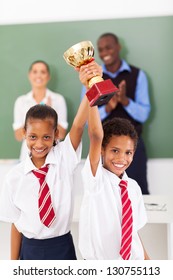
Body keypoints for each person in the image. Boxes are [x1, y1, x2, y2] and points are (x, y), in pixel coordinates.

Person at [0, 61, 102, 260]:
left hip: (61, 246)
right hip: (29, 249)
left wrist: (89, 85)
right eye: (32, 137)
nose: (39, 144)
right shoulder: (14, 177)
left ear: (56, 134)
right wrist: (13, 266)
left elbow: (79, 126)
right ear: (24, 134)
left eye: (46, 137)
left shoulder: (64, 157)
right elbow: (15, 224)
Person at [78, 64, 150, 259]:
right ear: (102, 150)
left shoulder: (132, 188)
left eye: (128, 152)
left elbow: (132, 233)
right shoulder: (96, 180)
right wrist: (91, 88)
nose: (121, 158)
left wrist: (150, 263)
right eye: (115, 150)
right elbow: (94, 134)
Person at [81, 33, 151, 194]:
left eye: (108, 47)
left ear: (118, 47)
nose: (104, 52)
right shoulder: (92, 78)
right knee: (103, 193)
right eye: (100, 49)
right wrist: (108, 107)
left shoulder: (137, 75)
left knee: (136, 191)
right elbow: (85, 119)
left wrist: (125, 101)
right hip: (103, 148)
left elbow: (144, 114)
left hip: (132, 148)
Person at [13, 60, 68, 161]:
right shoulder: (21, 101)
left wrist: (50, 112)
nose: (38, 75)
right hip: (27, 158)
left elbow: (62, 134)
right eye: (35, 72)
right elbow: (18, 135)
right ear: (29, 75)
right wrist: (37, 116)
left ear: (48, 76)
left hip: (53, 157)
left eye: (43, 72)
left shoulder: (58, 99)